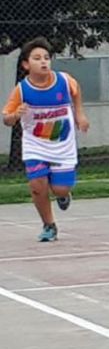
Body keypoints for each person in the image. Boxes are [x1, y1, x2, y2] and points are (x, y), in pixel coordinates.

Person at [2, 37, 90, 241]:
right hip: (35, 144)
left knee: (60, 188)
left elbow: (76, 93)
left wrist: (80, 114)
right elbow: (7, 118)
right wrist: (15, 115)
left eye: (46, 58)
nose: (43, 62)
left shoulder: (64, 81)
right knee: (37, 185)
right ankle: (49, 225)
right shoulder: (22, 90)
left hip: (62, 145)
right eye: (37, 58)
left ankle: (62, 194)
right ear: (26, 64)